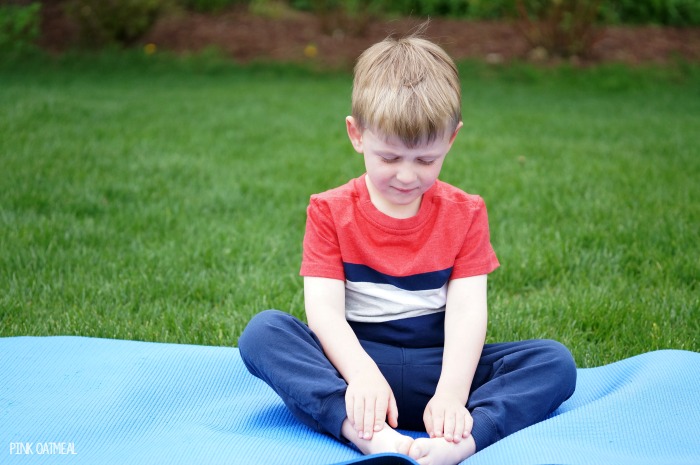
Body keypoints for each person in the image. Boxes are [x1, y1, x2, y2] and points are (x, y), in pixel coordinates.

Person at [238, 32, 577, 465]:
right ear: (356, 134)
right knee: (264, 333)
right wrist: (360, 377)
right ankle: (364, 433)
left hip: (440, 369)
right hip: (355, 370)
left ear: (451, 141)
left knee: (554, 362)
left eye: (425, 160)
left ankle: (462, 441)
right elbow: (323, 313)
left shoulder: (466, 212)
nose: (406, 175)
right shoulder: (329, 211)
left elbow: (468, 312)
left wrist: (453, 394)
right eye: (390, 157)